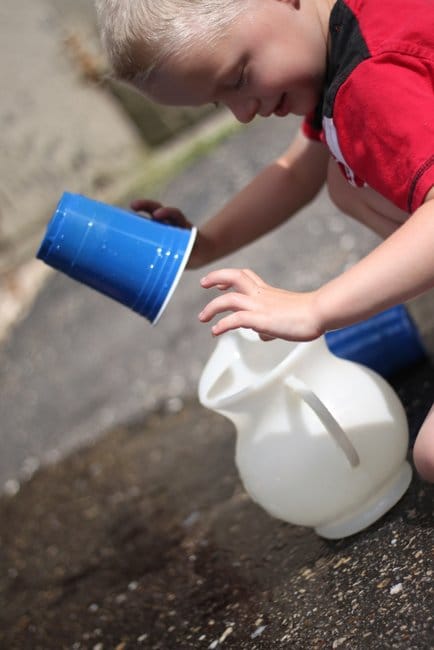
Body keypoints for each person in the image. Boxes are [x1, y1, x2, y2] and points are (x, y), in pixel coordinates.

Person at [95, 0, 434, 481]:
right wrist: (206, 244)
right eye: (220, 101)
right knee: (342, 174)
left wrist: (316, 307)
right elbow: (297, 173)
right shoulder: (347, 33)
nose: (242, 113)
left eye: (237, 79)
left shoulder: (372, 77)